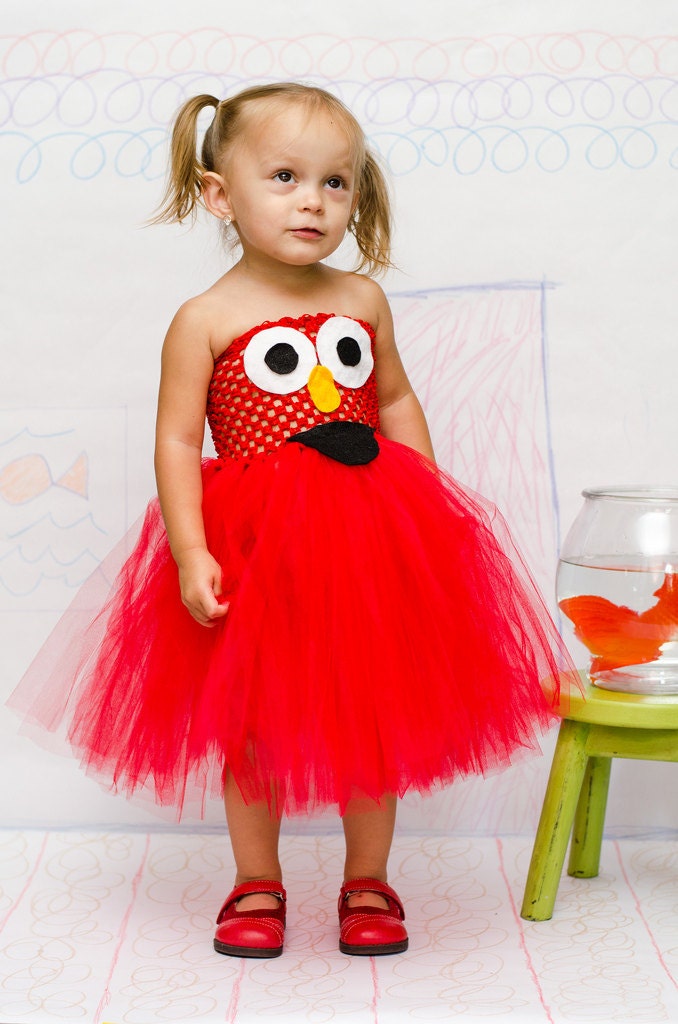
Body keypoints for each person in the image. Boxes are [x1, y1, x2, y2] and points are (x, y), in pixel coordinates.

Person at [10, 82, 578, 960]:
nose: (313, 200)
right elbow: (176, 440)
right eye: (284, 177)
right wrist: (191, 549)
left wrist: (430, 510)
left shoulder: (362, 299)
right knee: (253, 723)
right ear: (218, 194)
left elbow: (395, 399)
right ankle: (256, 880)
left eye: (335, 182)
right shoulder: (205, 318)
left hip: (369, 536)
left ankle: (368, 879)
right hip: (257, 549)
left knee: (375, 715)